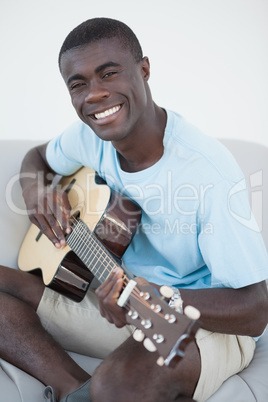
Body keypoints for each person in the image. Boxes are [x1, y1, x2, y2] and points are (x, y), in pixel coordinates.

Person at [0, 17, 268, 402]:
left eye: (108, 74)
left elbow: (256, 308)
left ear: (144, 69)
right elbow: (37, 156)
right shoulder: (89, 139)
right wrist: (35, 189)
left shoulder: (207, 173)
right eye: (79, 84)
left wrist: (158, 296)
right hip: (116, 296)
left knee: (119, 385)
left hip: (206, 323)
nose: (94, 94)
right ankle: (74, 387)